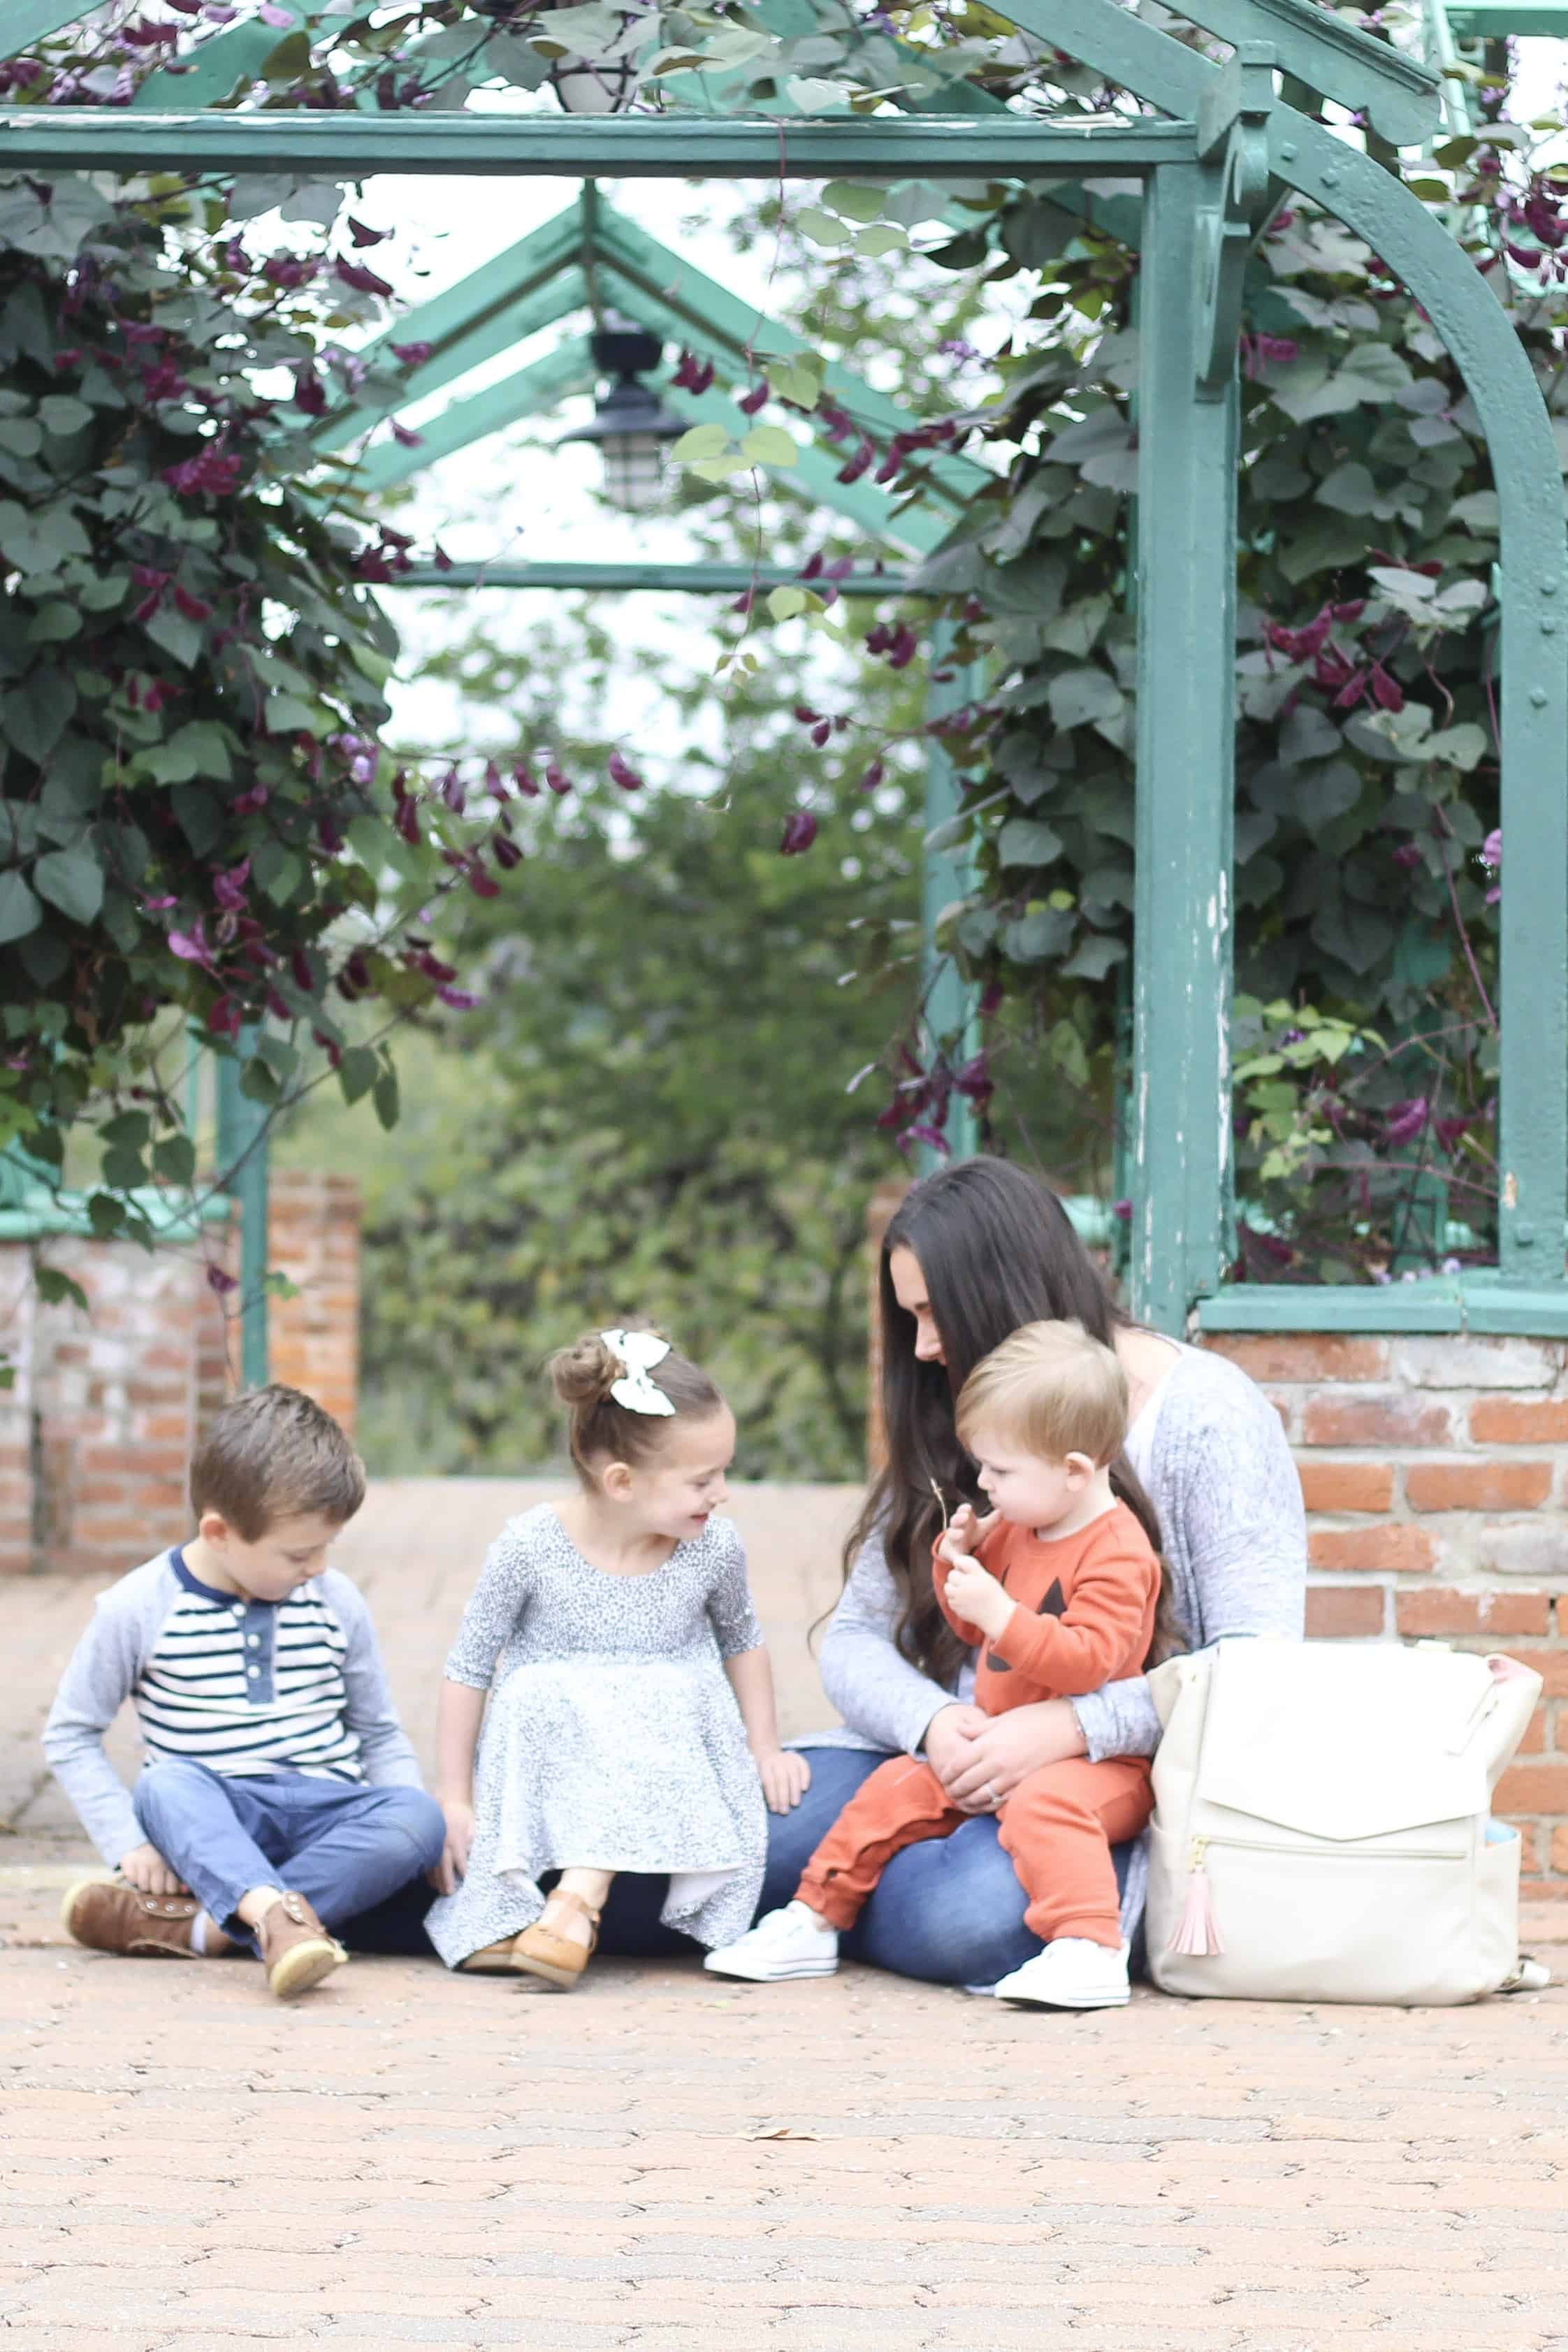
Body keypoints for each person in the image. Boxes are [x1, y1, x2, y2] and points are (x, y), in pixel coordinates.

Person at [758, 1156, 1307, 1989]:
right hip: (947, 1755)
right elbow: (857, 1637)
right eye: (909, 1317)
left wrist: (1073, 1728)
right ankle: (813, 1904)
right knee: (738, 1831)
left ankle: (829, 1908)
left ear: (1006, 1291)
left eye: (936, 1313)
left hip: (1096, 1785)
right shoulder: (965, 1415)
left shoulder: (1207, 1417)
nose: (924, 1346)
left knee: (966, 1917)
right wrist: (939, 1726)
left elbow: (1254, 1662)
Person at [709, 1320, 1174, 2008]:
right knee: (894, 1790)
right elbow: (970, 1629)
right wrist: (957, 1563)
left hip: (1097, 1769)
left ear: (1075, 1471)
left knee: (1047, 1810)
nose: (983, 1482)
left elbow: (1087, 1662)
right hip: (994, 1741)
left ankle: (1090, 1946)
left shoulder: (1119, 1553)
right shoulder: (1020, 1524)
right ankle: (814, 1918)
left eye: (1000, 1471)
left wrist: (1000, 1613)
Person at [425, 1328, 808, 1989]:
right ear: (622, 1481)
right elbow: (470, 1666)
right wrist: (455, 1798)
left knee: (667, 1687)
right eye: (702, 1479)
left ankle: (579, 1898)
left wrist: (765, 1746)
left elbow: (743, 1641)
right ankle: (521, 1912)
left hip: (666, 1749)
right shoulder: (529, 1546)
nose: (721, 1494)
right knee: (538, 1687)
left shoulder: (712, 1548)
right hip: (561, 1750)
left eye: (725, 1472)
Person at [44, 1384, 446, 2001]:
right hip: (215, 1822)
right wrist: (128, 1842)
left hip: (324, 1817)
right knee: (164, 1785)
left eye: (325, 1549)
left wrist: (414, 1845)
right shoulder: (137, 1607)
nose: (315, 1566)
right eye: (298, 1554)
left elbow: (379, 1731)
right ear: (219, 1532)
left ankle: (208, 1927)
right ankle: (278, 1917)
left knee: (418, 1817)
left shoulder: (335, 1600)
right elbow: (71, 1733)